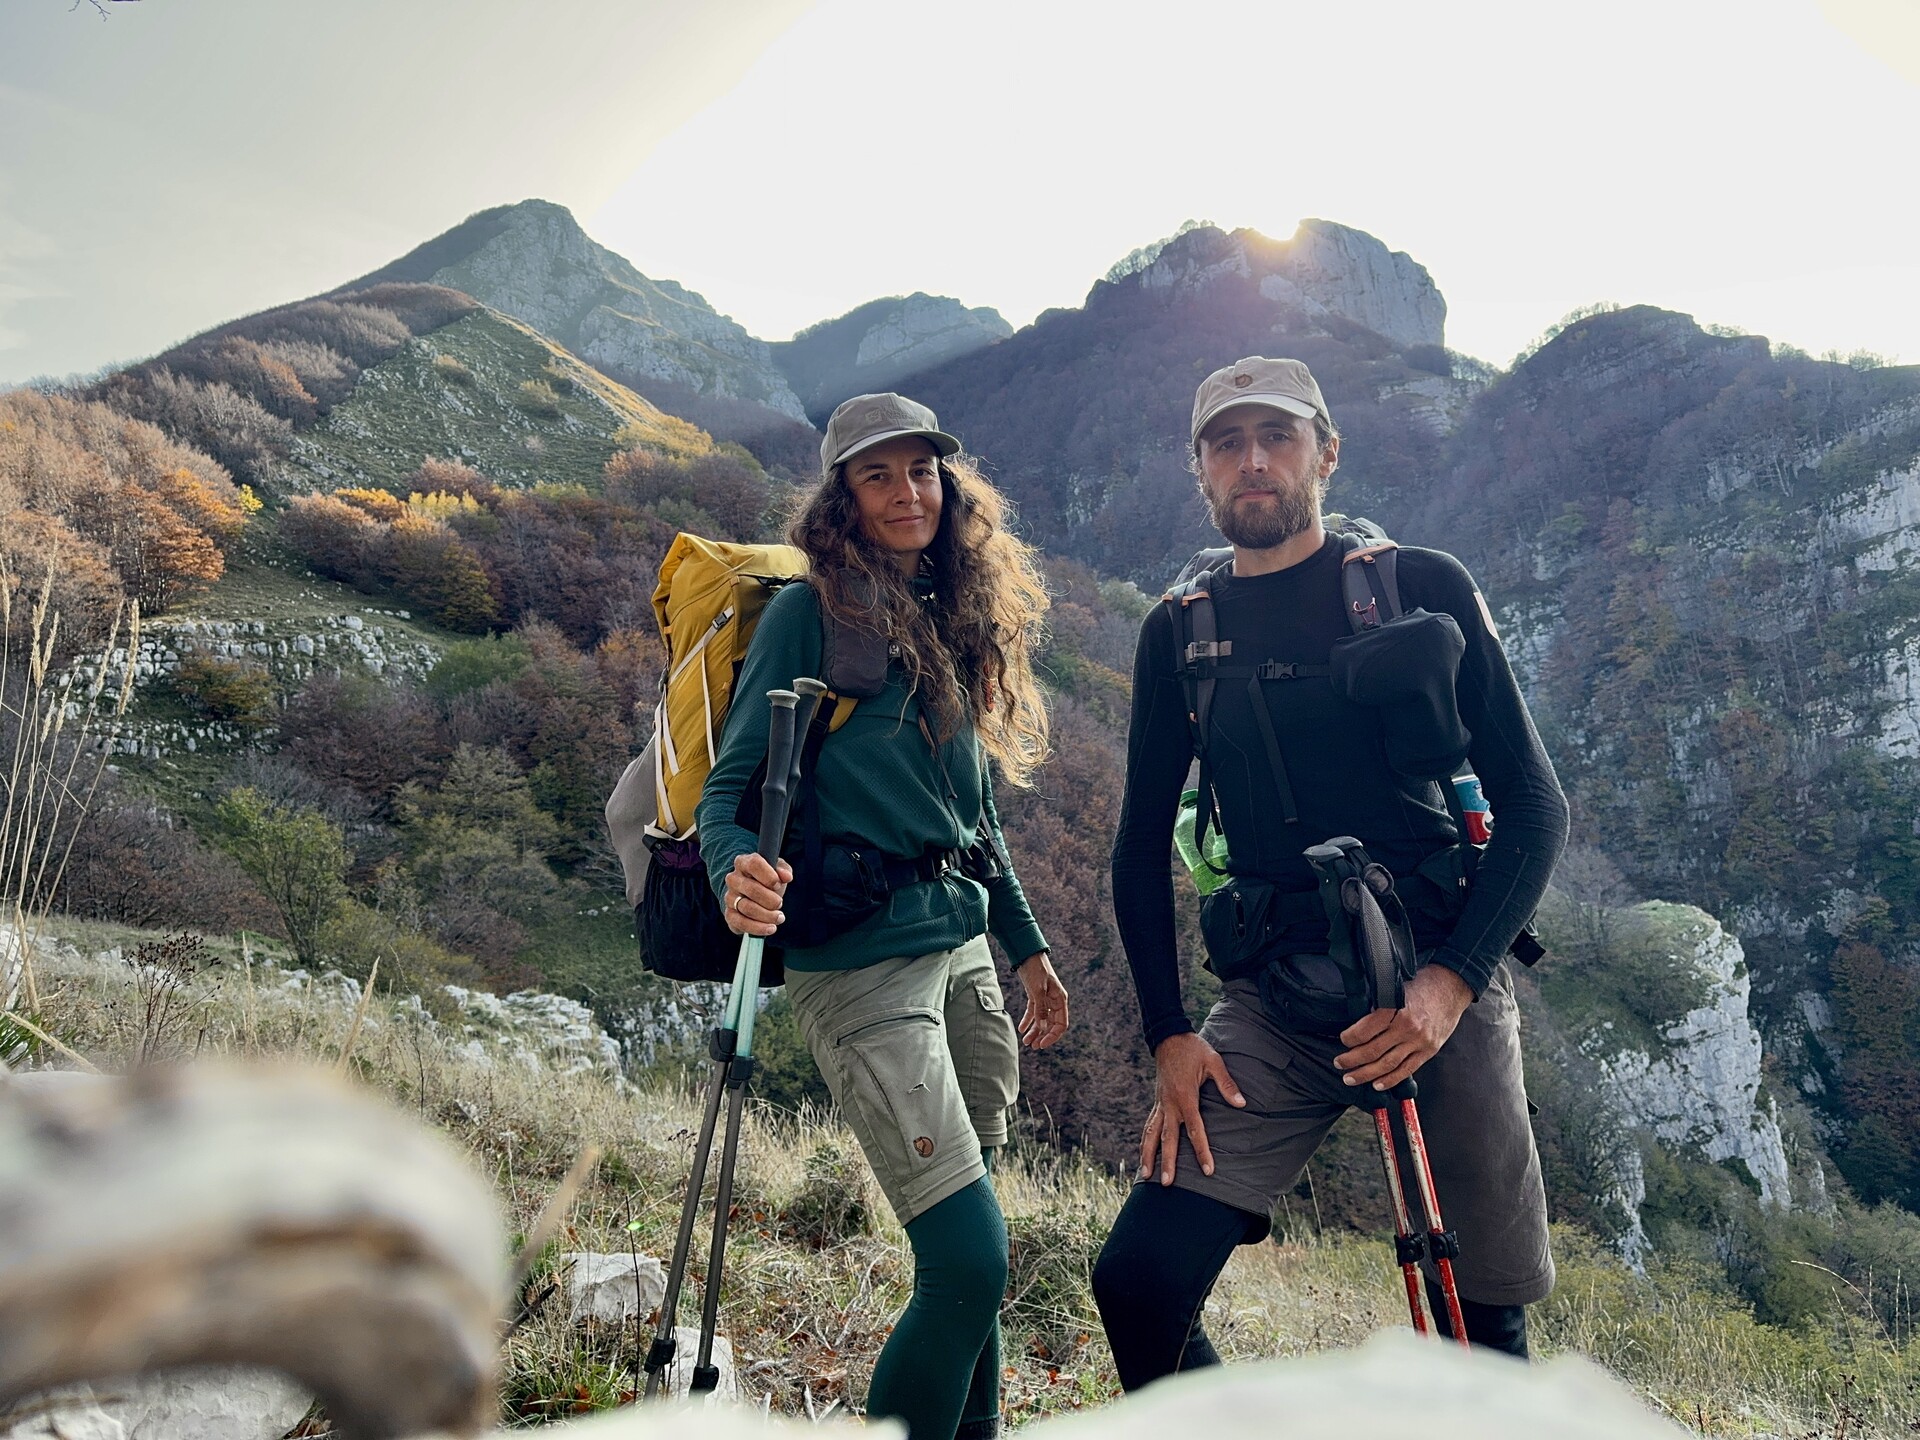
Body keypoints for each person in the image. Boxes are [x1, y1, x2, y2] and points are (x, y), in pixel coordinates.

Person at [1091, 357, 1569, 1384]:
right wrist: (1169, 1034)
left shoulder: (1420, 587)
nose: (1254, 461)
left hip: (1438, 978)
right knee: (1139, 1283)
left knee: (1483, 1340)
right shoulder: (1179, 632)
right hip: (1278, 997)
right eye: (1228, 444)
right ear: (1201, 471)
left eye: (1279, 436)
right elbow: (1137, 845)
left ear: (1326, 453)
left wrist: (1450, 987)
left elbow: (1535, 808)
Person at [699, 392, 1071, 1440]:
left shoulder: (950, 612)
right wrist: (733, 871)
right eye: (878, 475)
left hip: (961, 950)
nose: (907, 492)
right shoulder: (808, 615)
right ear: (843, 498)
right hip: (861, 964)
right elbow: (728, 794)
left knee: (978, 1246)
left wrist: (1028, 948)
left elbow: (975, 815)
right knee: (969, 1262)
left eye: (922, 470)